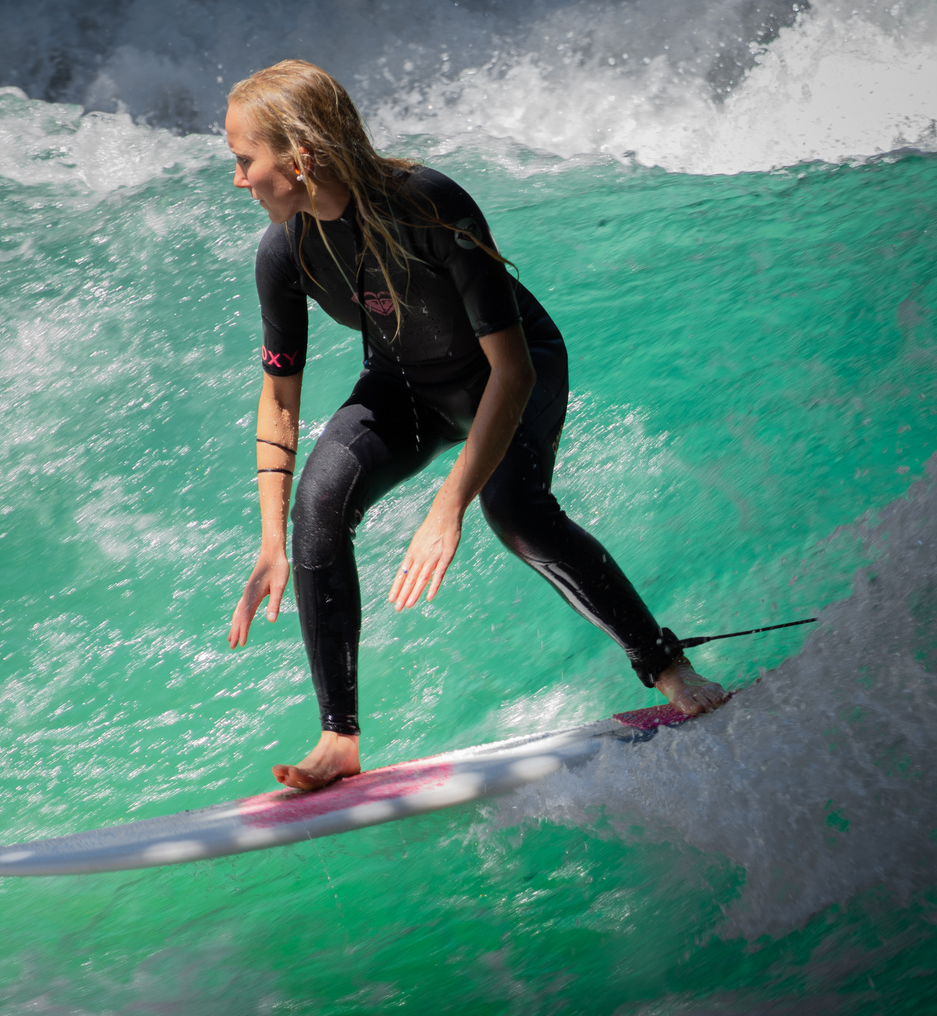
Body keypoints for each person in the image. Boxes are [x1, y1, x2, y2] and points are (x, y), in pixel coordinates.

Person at [222, 60, 727, 792]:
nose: (237, 178)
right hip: (404, 387)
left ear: (298, 157)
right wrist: (272, 539)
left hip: (512, 368)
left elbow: (512, 371)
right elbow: (279, 399)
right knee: (317, 506)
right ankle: (338, 740)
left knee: (514, 510)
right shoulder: (286, 250)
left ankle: (668, 668)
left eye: (245, 160)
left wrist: (449, 503)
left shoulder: (428, 205)